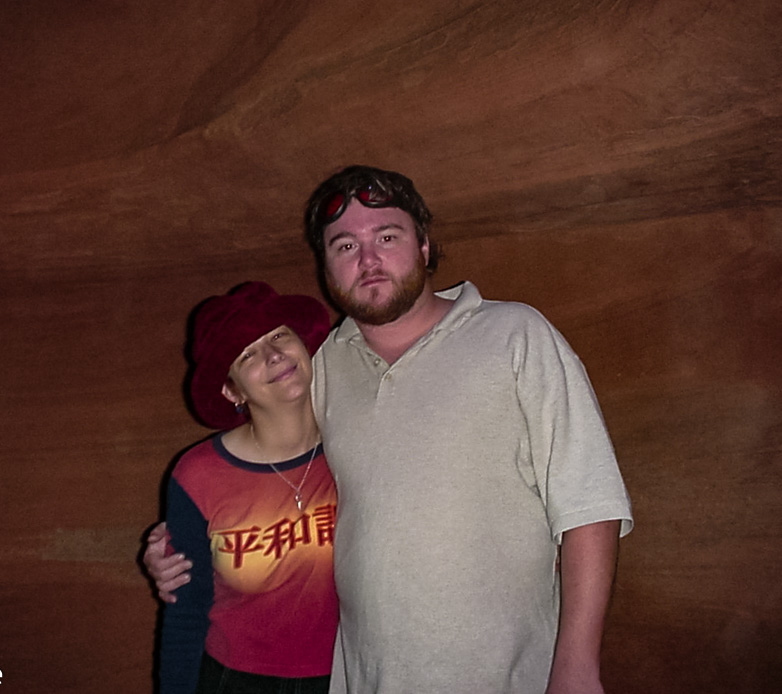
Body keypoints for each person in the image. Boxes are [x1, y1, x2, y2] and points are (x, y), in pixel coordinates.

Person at [148, 166, 633, 694]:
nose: (369, 259)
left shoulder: (516, 335)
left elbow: (589, 504)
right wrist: (180, 546)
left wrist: (578, 664)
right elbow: (268, 463)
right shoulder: (323, 367)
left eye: (386, 236)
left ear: (424, 246)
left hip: (511, 678)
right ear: (326, 269)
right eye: (345, 246)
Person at [155, 281, 337, 694]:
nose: (273, 355)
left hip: (351, 674)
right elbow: (186, 613)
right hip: (235, 681)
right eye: (248, 353)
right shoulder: (197, 475)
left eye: (278, 336)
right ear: (231, 389)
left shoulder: (358, 445)